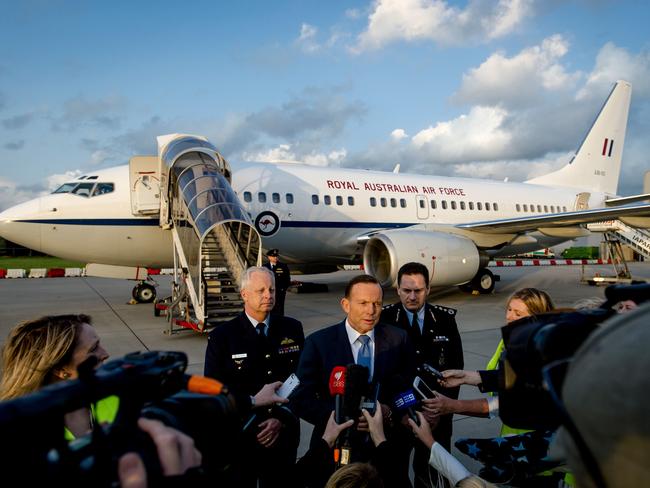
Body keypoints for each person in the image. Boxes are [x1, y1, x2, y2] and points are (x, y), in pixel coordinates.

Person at [291, 274, 415, 486]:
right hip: (336, 447)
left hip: (385, 447)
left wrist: (390, 410)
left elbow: (409, 389)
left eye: (377, 303)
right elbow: (300, 397)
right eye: (363, 303)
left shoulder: (398, 338)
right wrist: (338, 416)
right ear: (346, 305)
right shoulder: (319, 343)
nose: (371, 310)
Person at [204, 266, 304, 488]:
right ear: (244, 294)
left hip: (283, 433)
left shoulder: (292, 328)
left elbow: (300, 380)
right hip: (242, 436)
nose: (268, 295)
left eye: (272, 289)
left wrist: (282, 418)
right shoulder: (222, 337)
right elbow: (213, 391)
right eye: (260, 290)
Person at [379, 262, 464, 487]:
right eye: (407, 290)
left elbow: (456, 371)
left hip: (438, 416)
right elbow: (383, 375)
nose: (412, 296)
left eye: (418, 290)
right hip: (399, 417)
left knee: (433, 477)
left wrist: (440, 410)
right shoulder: (385, 320)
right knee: (395, 475)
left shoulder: (445, 319)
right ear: (398, 289)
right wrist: (401, 414)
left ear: (428, 289)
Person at [430, 288, 554, 431]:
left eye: (518, 313)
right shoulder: (510, 343)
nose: (510, 317)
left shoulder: (542, 354)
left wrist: (453, 406)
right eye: (509, 309)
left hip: (534, 440)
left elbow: (508, 403)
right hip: (512, 433)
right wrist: (464, 377)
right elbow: (502, 378)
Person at [0, 314, 115, 439]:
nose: (105, 354)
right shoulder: (18, 429)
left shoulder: (113, 393)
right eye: (93, 349)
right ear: (60, 369)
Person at [264, 248, 291, 316]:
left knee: (280, 308)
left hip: (280, 292)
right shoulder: (264, 267)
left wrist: (283, 289)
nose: (275, 258)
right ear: (269, 257)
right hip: (269, 292)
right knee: (269, 307)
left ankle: (280, 322)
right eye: (273, 256)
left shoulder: (283, 266)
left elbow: (287, 279)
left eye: (276, 256)